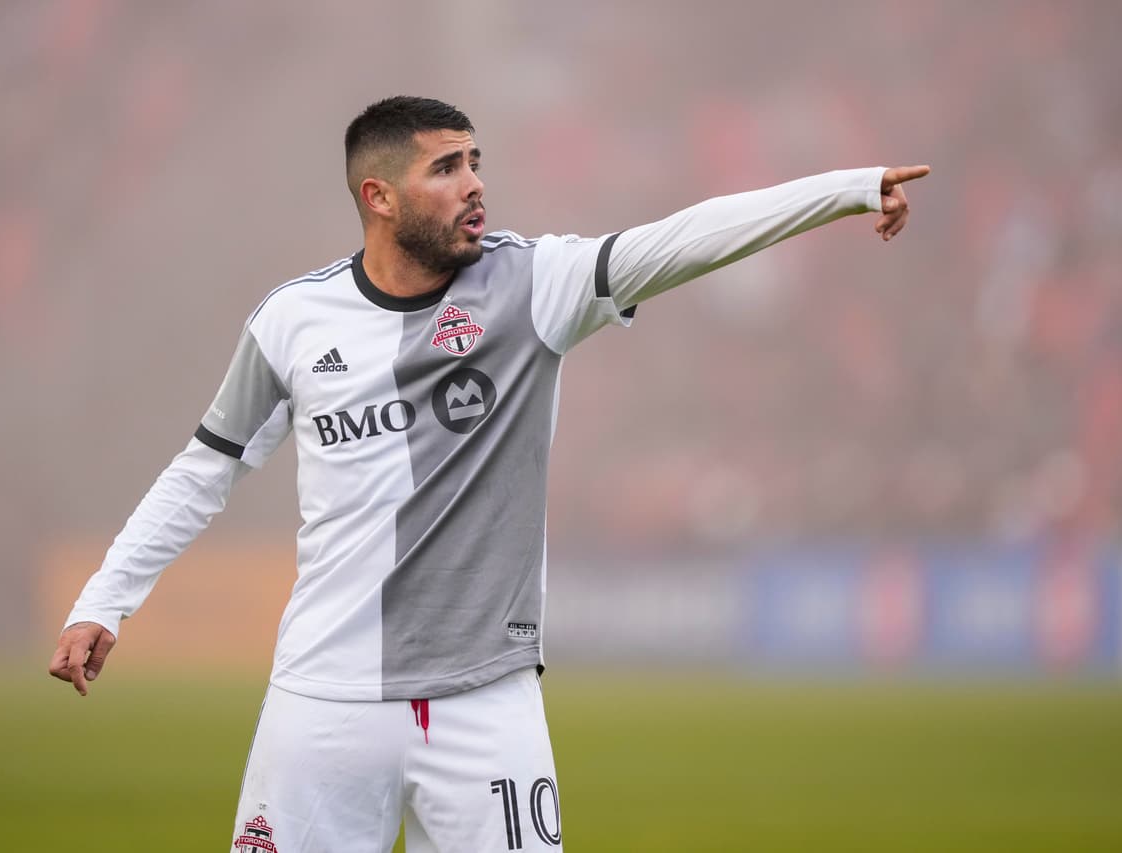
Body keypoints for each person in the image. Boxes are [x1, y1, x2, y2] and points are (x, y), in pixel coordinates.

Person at [49, 95, 929, 852]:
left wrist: (846, 191)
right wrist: (104, 597)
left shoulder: (532, 284)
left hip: (488, 705)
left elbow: (683, 241)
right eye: (446, 168)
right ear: (379, 195)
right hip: (324, 701)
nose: (474, 183)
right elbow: (207, 466)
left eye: (476, 161)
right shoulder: (292, 321)